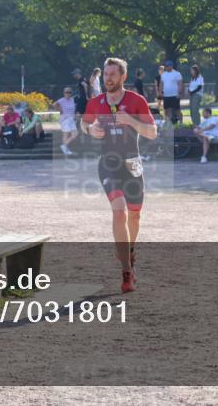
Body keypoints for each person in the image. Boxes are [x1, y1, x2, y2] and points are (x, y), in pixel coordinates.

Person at [81, 57, 157, 294]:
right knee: (119, 210)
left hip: (132, 165)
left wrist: (131, 121)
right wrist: (90, 129)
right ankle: (126, 271)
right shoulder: (96, 102)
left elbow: (153, 133)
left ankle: (130, 250)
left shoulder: (136, 101)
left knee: (134, 215)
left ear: (123, 77)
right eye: (105, 74)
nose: (108, 78)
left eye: (113, 74)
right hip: (109, 164)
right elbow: (83, 124)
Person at [54, 87, 78, 156]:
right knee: (66, 135)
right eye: (66, 92)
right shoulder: (61, 100)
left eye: (69, 92)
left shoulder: (72, 100)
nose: (68, 93)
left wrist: (76, 115)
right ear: (64, 93)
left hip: (72, 119)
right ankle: (65, 149)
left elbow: (74, 109)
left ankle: (64, 146)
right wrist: (60, 110)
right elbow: (54, 104)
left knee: (75, 134)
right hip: (65, 120)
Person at [159, 60, 183, 124]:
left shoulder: (177, 74)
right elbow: (161, 84)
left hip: (175, 95)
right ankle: (168, 123)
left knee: (177, 110)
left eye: (167, 66)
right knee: (167, 110)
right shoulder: (163, 74)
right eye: (165, 66)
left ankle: (181, 123)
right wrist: (160, 92)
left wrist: (179, 93)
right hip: (166, 95)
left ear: (171, 66)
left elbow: (180, 84)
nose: (166, 67)